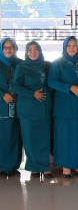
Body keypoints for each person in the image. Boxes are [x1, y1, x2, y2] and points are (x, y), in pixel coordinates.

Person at [12, 41, 53, 178]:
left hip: (44, 108)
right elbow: (15, 86)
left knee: (44, 138)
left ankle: (45, 167)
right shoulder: (21, 67)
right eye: (30, 49)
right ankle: (34, 167)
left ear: (40, 51)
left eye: (36, 49)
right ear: (26, 52)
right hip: (27, 109)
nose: (33, 52)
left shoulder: (47, 66)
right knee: (30, 139)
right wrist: (32, 93)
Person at [48, 36, 78, 178]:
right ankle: (66, 167)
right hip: (63, 106)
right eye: (69, 45)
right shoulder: (57, 63)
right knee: (64, 137)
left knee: (77, 137)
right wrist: (70, 87)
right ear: (64, 47)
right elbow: (51, 82)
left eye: (74, 45)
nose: (71, 48)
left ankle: (76, 164)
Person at [0, 38, 23, 178]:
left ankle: (13, 166)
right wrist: (3, 95)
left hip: (19, 105)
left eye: (11, 47)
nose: (8, 50)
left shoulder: (20, 64)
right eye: (5, 47)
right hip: (2, 105)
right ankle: (2, 166)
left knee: (16, 135)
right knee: (3, 135)